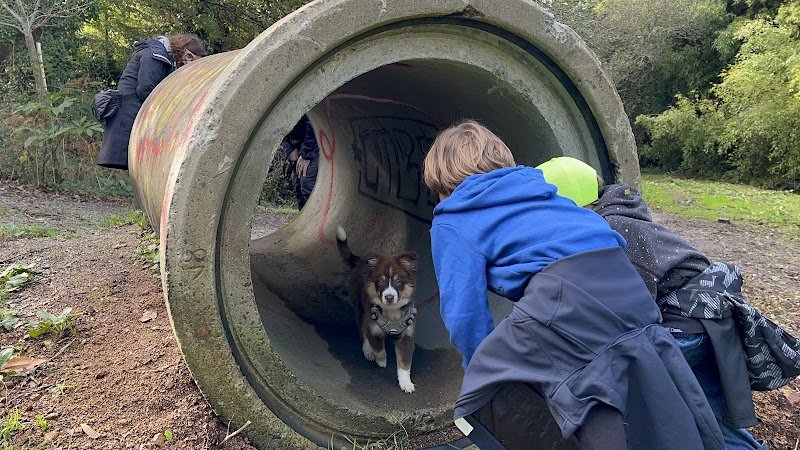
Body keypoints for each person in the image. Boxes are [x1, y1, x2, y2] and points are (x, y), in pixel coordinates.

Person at [422, 120, 725, 450]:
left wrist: (481, 378)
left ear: (442, 179)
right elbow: (593, 231)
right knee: (638, 388)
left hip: (566, 295)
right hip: (625, 280)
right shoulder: (538, 190)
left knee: (556, 386)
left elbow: (462, 310)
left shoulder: (453, 217)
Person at [537, 156, 768, 450]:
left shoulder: (610, 230)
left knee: (630, 386)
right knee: (711, 412)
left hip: (686, 323)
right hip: (708, 319)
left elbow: (632, 310)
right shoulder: (622, 213)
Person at [97, 34, 207, 170]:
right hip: (129, 115)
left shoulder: (160, 55)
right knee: (135, 166)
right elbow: (145, 89)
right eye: (193, 61)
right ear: (187, 54)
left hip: (132, 113)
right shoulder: (155, 55)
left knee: (136, 167)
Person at [279, 115, 318, 209]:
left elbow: (313, 123)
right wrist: (289, 150)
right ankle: (308, 222)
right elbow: (275, 128)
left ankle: (317, 222)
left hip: (313, 147)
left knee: (308, 187)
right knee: (298, 190)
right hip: (296, 148)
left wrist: (305, 154)